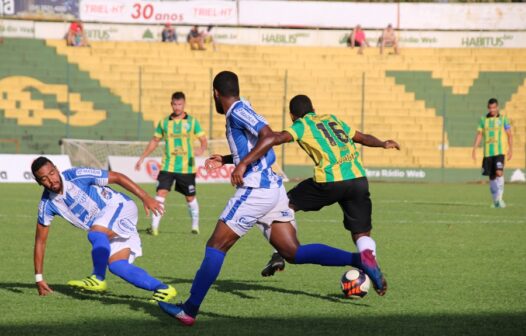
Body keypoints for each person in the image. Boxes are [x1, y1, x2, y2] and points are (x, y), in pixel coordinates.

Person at [157, 71, 387, 326]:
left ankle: (188, 310)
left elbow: (268, 136)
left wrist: (241, 165)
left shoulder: (237, 110)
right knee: (292, 251)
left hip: (256, 189)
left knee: (216, 245)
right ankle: (359, 259)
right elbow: (259, 144)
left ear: (216, 94)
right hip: (274, 188)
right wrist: (227, 159)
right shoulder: (245, 108)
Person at [242, 95, 399, 277]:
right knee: (362, 232)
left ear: (292, 116)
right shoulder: (332, 119)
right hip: (358, 179)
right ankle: (370, 262)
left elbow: (278, 138)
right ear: (314, 109)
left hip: (330, 181)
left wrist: (249, 154)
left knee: (285, 204)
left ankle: (281, 253)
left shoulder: (301, 125)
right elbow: (362, 138)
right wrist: (382, 143)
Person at [32, 157, 177, 303]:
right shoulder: (47, 205)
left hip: (119, 207)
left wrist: (145, 197)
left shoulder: (76, 175)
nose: (51, 180)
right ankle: (163, 289)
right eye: (44, 178)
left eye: (52, 173)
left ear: (56, 169)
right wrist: (39, 278)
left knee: (96, 232)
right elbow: (40, 242)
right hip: (107, 225)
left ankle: (98, 277)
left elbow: (118, 177)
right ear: (39, 182)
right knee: (117, 265)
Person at [135, 92, 207, 235]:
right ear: (171, 104)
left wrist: (202, 148)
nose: (177, 107)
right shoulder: (164, 122)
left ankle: (195, 226)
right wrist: (142, 157)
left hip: (186, 167)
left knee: (190, 197)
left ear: (184, 104)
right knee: (160, 193)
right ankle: (154, 227)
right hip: (168, 166)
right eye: (175, 104)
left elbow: (203, 140)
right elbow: (155, 141)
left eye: (180, 104)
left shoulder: (192, 122)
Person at [471, 98, 512, 208]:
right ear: (488, 108)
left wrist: (510, 149)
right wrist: (474, 148)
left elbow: (509, 134)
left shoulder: (503, 119)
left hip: (500, 151)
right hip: (488, 153)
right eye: (490, 108)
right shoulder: (483, 120)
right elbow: (479, 134)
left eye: (494, 107)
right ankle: (495, 202)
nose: (492, 110)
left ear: (497, 107)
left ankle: (500, 199)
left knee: (499, 172)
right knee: (492, 176)